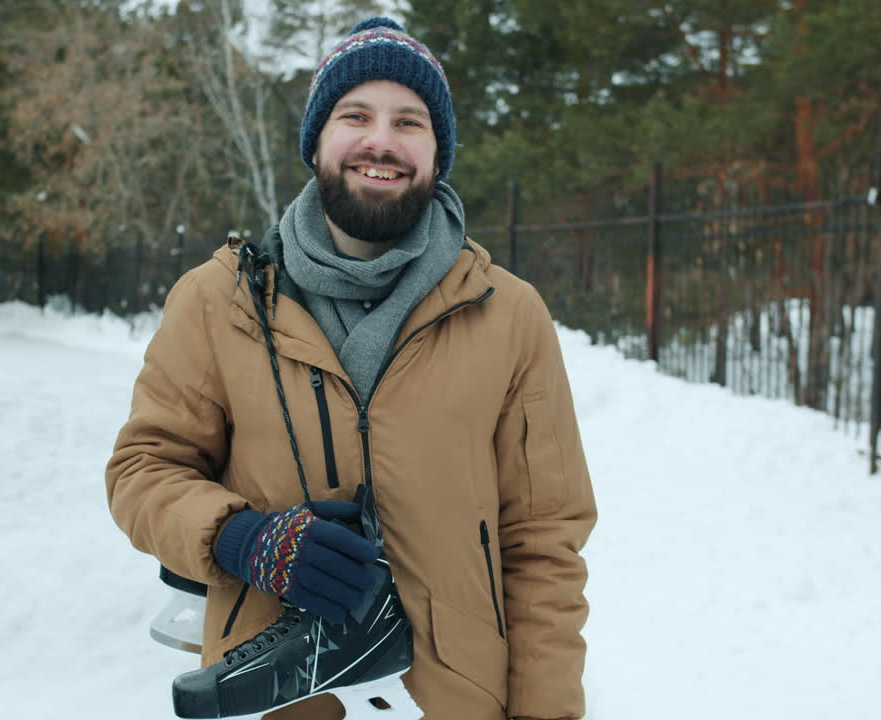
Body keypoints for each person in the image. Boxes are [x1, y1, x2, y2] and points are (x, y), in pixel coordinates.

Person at [106, 16, 596, 720]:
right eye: (355, 115)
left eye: (410, 122)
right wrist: (242, 538)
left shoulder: (508, 314)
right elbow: (142, 471)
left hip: (454, 701)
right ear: (318, 140)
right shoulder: (219, 300)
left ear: (437, 150)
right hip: (274, 700)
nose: (381, 141)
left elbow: (544, 546)